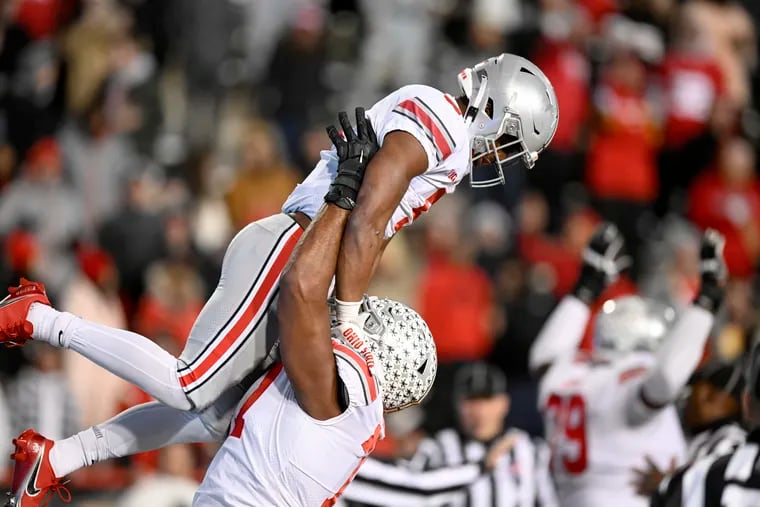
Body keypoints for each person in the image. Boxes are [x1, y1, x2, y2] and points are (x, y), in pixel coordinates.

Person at [0, 53, 558, 506]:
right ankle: (38, 316)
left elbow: (376, 222)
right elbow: (366, 212)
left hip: (302, 253)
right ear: (494, 108)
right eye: (509, 141)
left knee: (214, 414)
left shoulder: (442, 130)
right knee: (188, 384)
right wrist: (349, 315)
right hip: (292, 250)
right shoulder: (445, 129)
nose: (500, 158)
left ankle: (57, 459)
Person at [529, 223, 727, 507]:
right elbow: (667, 378)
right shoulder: (630, 378)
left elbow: (544, 357)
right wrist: (707, 301)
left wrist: (586, 288)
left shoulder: (568, 372)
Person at [343, 362, 557, 507]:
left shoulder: (530, 449)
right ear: (458, 405)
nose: (479, 411)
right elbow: (413, 492)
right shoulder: (435, 447)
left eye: (487, 400)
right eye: (471, 402)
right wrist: (480, 467)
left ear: (504, 404)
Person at [651, 340, 760, 507]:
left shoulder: (730, 443)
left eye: (708, 397)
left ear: (744, 404)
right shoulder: (701, 438)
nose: (692, 402)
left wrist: (667, 482)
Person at [631, 360, 746, 497]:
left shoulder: (732, 440)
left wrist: (668, 484)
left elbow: (722, 492)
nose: (688, 398)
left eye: (694, 390)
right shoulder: (694, 433)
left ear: (711, 397)